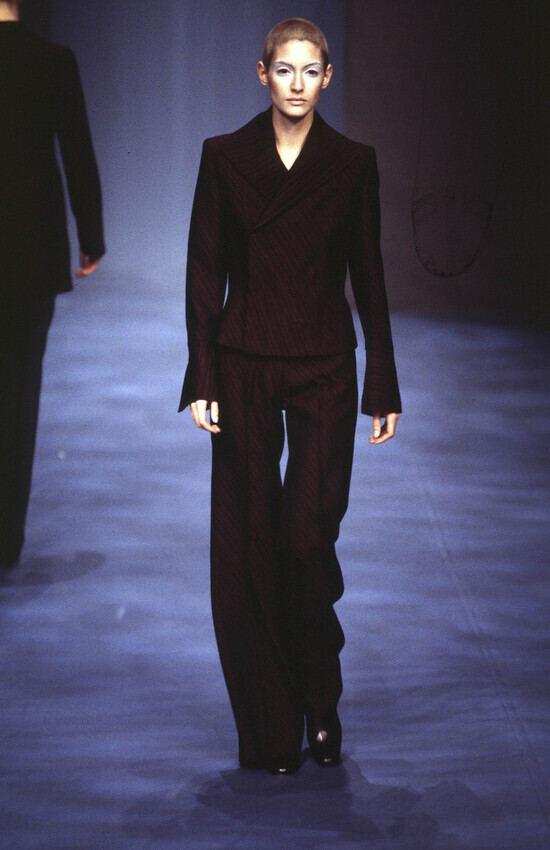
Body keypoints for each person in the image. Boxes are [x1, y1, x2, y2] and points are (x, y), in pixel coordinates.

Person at [180, 18, 401, 775]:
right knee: (247, 541)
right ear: (262, 74)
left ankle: (319, 688)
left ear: (328, 77)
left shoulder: (352, 163)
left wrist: (384, 379)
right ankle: (274, 726)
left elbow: (368, 271)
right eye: (285, 69)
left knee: (306, 538)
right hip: (243, 359)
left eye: (311, 71)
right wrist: (201, 376)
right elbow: (205, 268)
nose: (298, 83)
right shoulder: (224, 156)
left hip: (323, 365)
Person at [0, 0, 105, 567]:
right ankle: (4, 540)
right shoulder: (52, 60)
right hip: (29, 255)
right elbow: (77, 149)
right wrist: (92, 236)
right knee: (17, 398)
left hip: (26, 258)